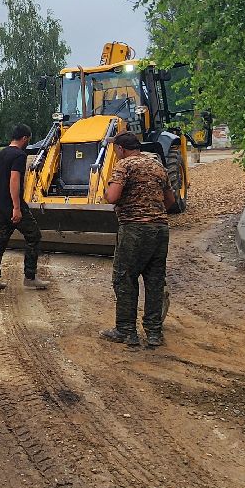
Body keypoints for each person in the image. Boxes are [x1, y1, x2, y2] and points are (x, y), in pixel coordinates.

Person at [102, 131, 177, 348]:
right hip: (160, 230)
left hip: (135, 229)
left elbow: (113, 197)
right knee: (154, 281)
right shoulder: (157, 166)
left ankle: (126, 331)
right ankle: (154, 333)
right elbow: (169, 200)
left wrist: (108, 194)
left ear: (120, 149)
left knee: (124, 278)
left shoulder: (124, 166)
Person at [0, 123, 48, 292]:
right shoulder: (19, 155)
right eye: (28, 140)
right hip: (11, 204)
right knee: (34, 236)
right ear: (25, 138)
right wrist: (16, 207)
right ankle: (30, 277)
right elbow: (14, 180)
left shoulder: (2, 153)